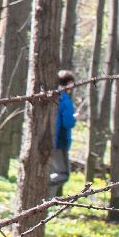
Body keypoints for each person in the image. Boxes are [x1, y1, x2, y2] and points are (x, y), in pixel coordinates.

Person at [49, 69, 76, 197]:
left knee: (53, 171)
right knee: (63, 174)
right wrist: (74, 118)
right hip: (60, 141)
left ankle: (46, 201)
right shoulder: (65, 99)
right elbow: (68, 123)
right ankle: (43, 186)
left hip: (48, 140)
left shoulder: (52, 95)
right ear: (69, 83)